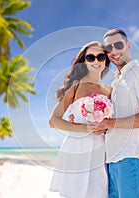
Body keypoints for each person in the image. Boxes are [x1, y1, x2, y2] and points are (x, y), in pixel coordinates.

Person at [93, 28, 139, 197]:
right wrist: (105, 126)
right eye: (109, 48)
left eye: (118, 45)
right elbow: (120, 119)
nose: (114, 51)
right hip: (112, 160)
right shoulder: (117, 82)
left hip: (131, 159)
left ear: (128, 45)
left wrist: (109, 123)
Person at [48, 41, 112, 198]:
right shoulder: (76, 85)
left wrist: (106, 127)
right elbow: (53, 120)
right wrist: (84, 128)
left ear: (106, 60)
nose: (96, 61)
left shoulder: (110, 90)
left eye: (100, 57)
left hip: (101, 148)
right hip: (77, 147)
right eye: (90, 57)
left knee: (99, 191)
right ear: (84, 61)